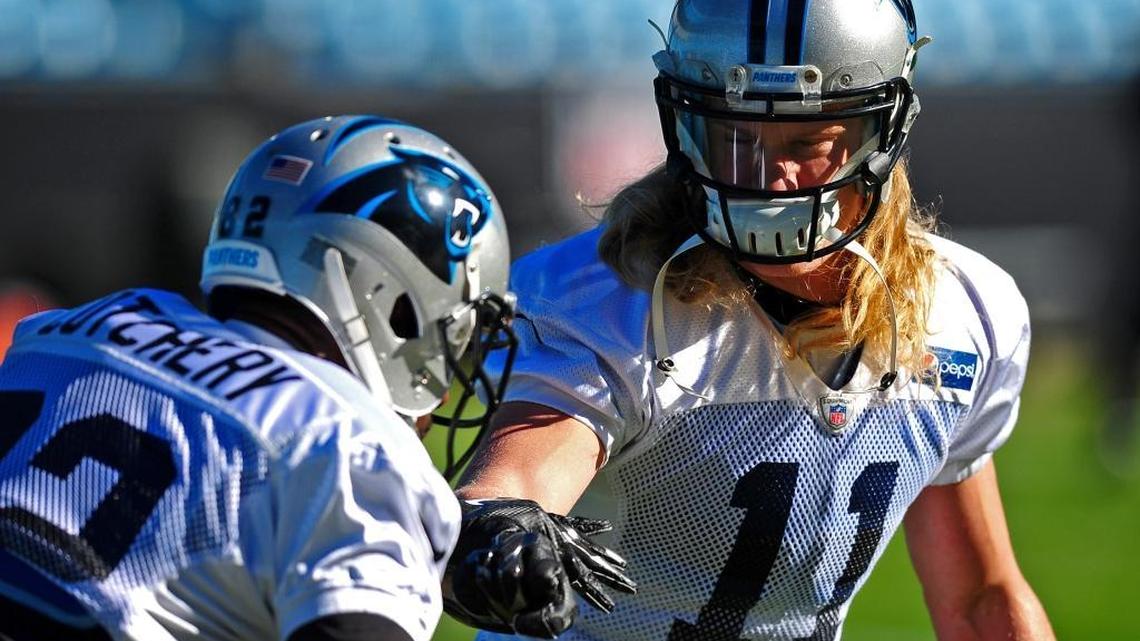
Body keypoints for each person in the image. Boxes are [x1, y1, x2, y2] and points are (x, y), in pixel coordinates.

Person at [443, 1, 1057, 640]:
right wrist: (498, 529)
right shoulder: (614, 301)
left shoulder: (961, 312)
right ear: (687, 130)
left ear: (883, 131)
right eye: (736, 140)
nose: (771, 178)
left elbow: (982, 596)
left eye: (808, 141)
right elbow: (518, 480)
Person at [0, 115, 520, 641]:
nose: (447, 374)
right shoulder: (346, 445)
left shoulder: (65, 336)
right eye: (449, 333)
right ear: (391, 306)